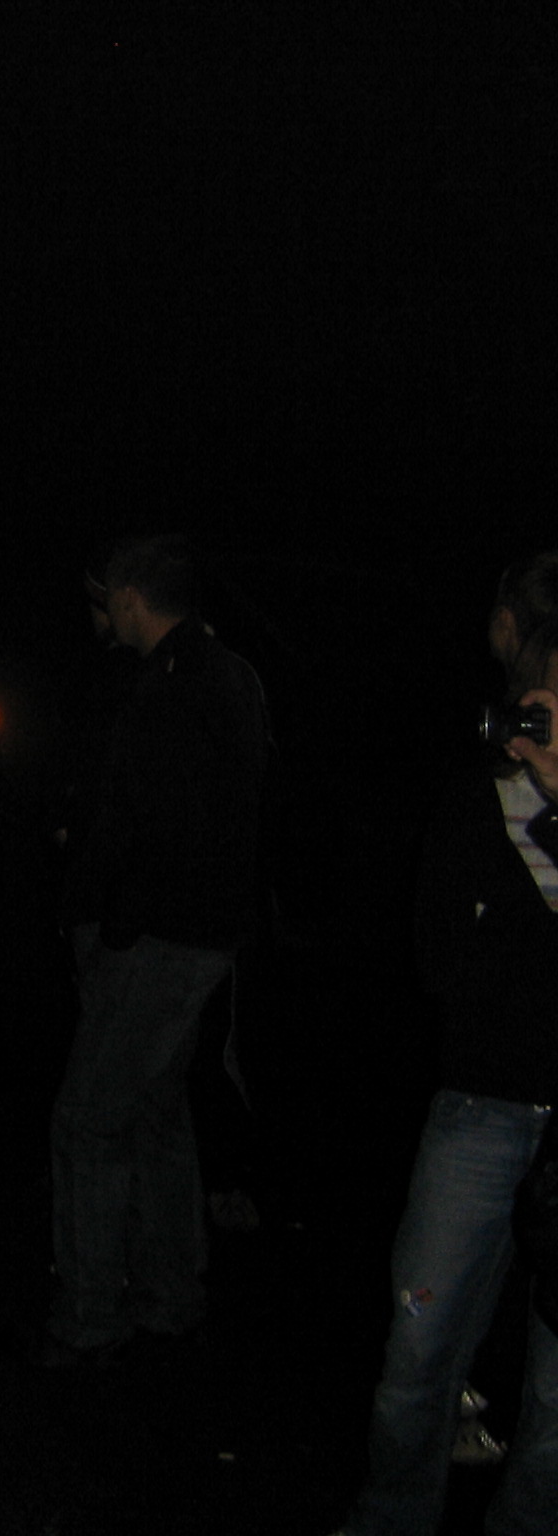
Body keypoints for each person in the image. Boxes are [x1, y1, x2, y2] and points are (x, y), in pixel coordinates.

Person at [332, 552, 558, 1536]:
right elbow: (439, 960)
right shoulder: (474, 803)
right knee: (417, 1352)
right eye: (541, 704)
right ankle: (392, 1517)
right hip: (481, 1105)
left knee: (555, 1401)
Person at [23, 533, 270, 1366]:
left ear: (131, 598)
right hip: (189, 932)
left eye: (110, 598)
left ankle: (91, 1312)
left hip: (163, 938)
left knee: (88, 1119)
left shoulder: (182, 683)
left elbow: (164, 822)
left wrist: (118, 922)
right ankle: (170, 1293)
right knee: (157, 1107)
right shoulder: (220, 674)